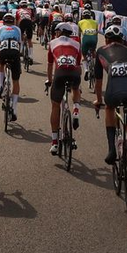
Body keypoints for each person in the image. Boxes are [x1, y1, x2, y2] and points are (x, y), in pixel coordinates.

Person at [94, 23, 127, 166]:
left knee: (109, 108)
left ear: (106, 40)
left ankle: (111, 150)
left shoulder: (101, 50)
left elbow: (98, 80)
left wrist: (98, 100)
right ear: (122, 40)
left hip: (115, 89)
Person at [46, 20, 83, 156]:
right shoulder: (77, 44)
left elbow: (50, 65)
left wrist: (49, 80)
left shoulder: (52, 43)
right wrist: (77, 83)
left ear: (59, 32)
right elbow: (78, 65)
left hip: (60, 73)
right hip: (74, 73)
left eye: (56, 31)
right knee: (75, 88)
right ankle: (76, 110)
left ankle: (55, 142)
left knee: (55, 106)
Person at [0, 11, 24, 122]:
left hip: (4, 51)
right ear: (13, 21)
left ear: (4, 22)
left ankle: (0, 85)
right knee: (16, 81)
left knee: (1, 65)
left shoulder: (0, 28)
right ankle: (14, 109)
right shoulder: (17, 29)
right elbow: (19, 44)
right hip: (14, 52)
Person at [78, 7, 99, 72]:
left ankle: (86, 69)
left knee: (84, 55)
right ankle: (95, 65)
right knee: (93, 52)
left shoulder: (80, 22)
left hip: (86, 38)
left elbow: (79, 35)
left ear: (83, 16)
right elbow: (96, 33)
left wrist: (80, 43)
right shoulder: (95, 22)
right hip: (94, 38)